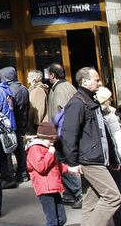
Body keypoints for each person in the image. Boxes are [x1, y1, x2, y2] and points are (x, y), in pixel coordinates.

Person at [60, 67, 121, 226]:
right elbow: (68, 134)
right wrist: (72, 162)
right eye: (97, 80)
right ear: (85, 81)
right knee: (113, 197)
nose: (100, 83)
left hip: (96, 157)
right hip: (89, 159)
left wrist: (112, 158)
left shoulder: (91, 100)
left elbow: (102, 132)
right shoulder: (77, 102)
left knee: (90, 201)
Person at [95, 87, 121, 226]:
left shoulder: (93, 114)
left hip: (100, 158)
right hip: (114, 159)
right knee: (116, 193)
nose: (111, 99)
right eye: (109, 97)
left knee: (109, 193)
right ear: (106, 100)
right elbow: (118, 139)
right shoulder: (110, 115)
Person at [47, 63, 81, 208]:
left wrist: (51, 131)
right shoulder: (69, 86)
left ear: (53, 75)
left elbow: (60, 112)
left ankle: (78, 192)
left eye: (48, 74)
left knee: (62, 164)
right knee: (65, 162)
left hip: (62, 133)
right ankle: (69, 193)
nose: (47, 77)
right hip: (69, 131)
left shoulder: (59, 89)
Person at [26, 122, 67, 226]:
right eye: (52, 139)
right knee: (52, 221)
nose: (53, 142)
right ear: (46, 138)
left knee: (62, 219)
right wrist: (50, 152)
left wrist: (71, 169)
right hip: (45, 189)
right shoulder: (35, 148)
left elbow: (55, 166)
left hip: (53, 186)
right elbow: (41, 167)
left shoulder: (46, 147)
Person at [1, 66, 30, 182]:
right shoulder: (23, 88)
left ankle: (10, 175)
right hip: (22, 122)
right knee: (20, 150)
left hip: (12, 123)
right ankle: (23, 172)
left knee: (8, 149)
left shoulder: (8, 90)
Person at [27, 70, 49, 135]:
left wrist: (35, 125)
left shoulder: (38, 90)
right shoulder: (35, 89)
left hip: (39, 126)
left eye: (28, 77)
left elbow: (39, 110)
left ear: (33, 79)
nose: (27, 79)